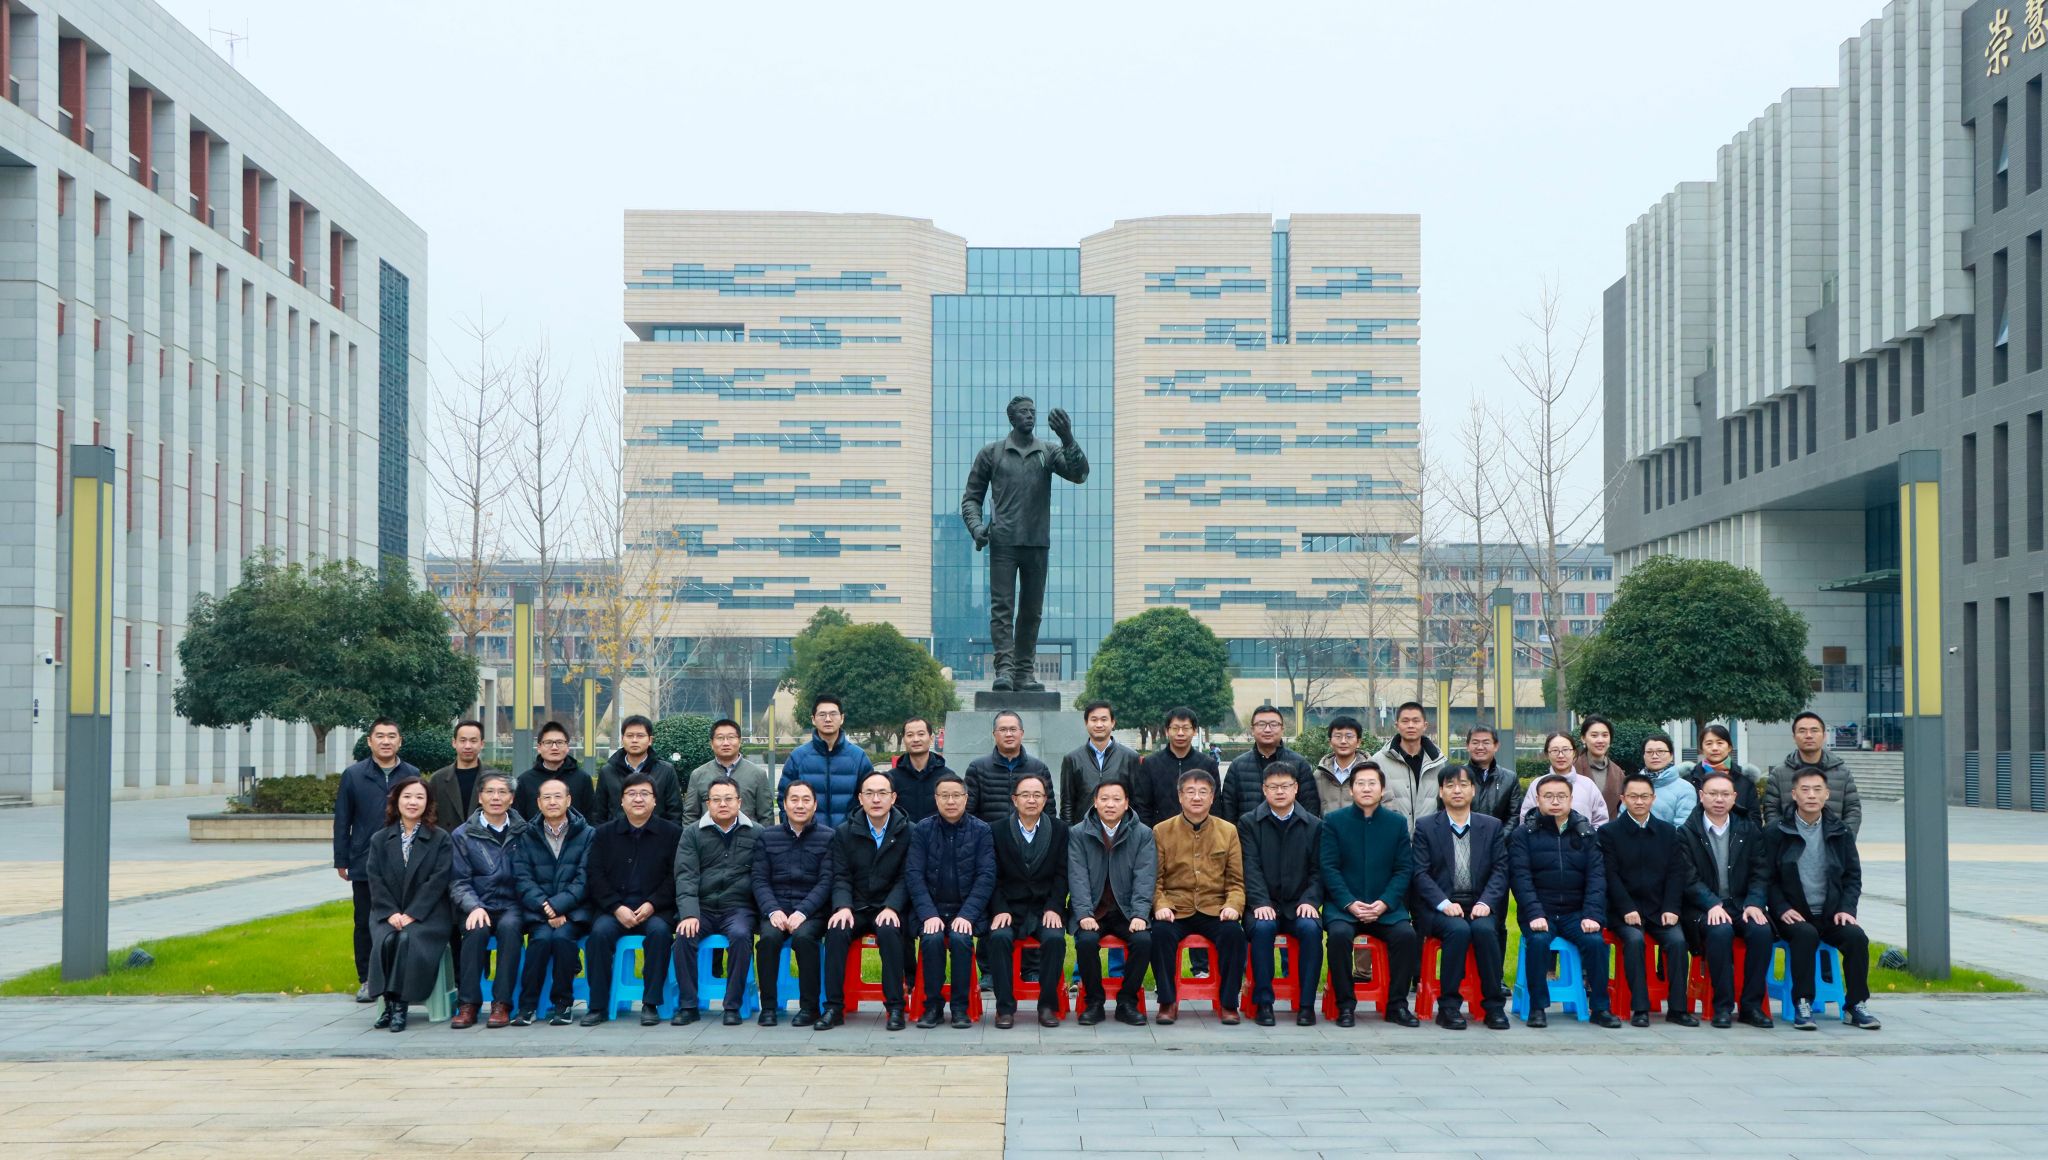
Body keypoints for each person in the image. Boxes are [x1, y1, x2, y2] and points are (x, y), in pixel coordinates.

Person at [958, 394, 1089, 692]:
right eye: (1023, 412)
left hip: (1037, 543)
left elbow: (1080, 474)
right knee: (1002, 610)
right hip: (1003, 543)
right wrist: (976, 528)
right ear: (1011, 418)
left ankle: (1024, 672)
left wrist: (1068, 437)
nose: (1030, 415)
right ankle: (1004, 670)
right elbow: (971, 498)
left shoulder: (1048, 451)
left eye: (1032, 411)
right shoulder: (991, 453)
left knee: (1031, 612)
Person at [1766, 768, 1881, 1030]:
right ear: (1794, 794)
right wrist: (1781, 908)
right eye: (1805, 790)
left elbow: (1852, 876)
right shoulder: (1776, 831)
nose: (1811, 795)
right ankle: (1803, 1002)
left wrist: (1847, 909)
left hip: (1831, 913)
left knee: (1856, 937)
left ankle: (1855, 1005)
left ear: (1827, 794)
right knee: (1804, 934)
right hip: (1792, 915)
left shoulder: (1840, 831)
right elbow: (1766, 878)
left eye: (1817, 790)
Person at [1509, 773, 1624, 1028]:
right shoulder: (1523, 834)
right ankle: (1538, 1007)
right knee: (1538, 941)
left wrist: (1591, 914)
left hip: (1576, 912)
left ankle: (1600, 1008)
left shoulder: (1586, 833)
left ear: (1571, 799)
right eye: (1548, 796)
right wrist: (1534, 913)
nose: (1555, 801)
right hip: (1541, 912)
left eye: (1561, 796)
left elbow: (1597, 878)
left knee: (1595, 942)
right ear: (1537, 799)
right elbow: (1520, 878)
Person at [1318, 761, 1420, 1028]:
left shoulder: (1396, 823)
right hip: (1344, 908)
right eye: (1360, 784)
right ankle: (1345, 1006)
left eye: (1372, 783)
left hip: (1385, 908)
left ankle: (1397, 1005)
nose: (1366, 788)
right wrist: (1349, 903)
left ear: (1382, 789)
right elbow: (1329, 867)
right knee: (1338, 936)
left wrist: (1384, 903)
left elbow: (1403, 869)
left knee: (1406, 936)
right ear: (1351, 790)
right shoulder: (1334, 822)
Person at [1410, 765, 1511, 1030]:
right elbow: (1420, 873)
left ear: (1473, 790)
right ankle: (1449, 1007)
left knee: (1485, 930)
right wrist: (1444, 904)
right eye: (1450, 785)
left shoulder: (1491, 826)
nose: (1457, 790)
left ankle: (1493, 1007)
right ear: (1441, 792)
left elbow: (1500, 870)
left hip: (1478, 904)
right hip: (1439, 908)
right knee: (1458, 930)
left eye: (1463, 784)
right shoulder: (1426, 827)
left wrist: (1486, 902)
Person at [580, 772, 682, 1027]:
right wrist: (616, 907)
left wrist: (653, 904)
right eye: (632, 794)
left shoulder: (672, 833)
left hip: (655, 909)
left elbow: (675, 877)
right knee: (598, 935)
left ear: (655, 801)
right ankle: (597, 1005)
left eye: (645, 794)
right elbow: (595, 875)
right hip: (614, 909)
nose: (638, 799)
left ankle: (651, 1004)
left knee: (660, 934)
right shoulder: (603, 834)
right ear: (622, 800)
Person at [1676, 768, 1774, 1029]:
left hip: (1741, 904)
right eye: (1712, 794)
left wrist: (1754, 902)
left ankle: (1751, 1007)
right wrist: (1711, 903)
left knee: (1761, 931)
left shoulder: (1748, 829)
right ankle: (1722, 1006)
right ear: (1701, 796)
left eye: (1724, 794)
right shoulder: (1687, 832)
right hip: (1702, 907)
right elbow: (1687, 878)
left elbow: (1760, 872)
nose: (1719, 799)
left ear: (1734, 797)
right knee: (1719, 932)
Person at [1598, 772, 1698, 1028]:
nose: (1639, 801)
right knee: (1634, 941)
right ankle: (1640, 1008)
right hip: (1623, 911)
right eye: (1633, 796)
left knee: (1678, 942)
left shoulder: (1667, 832)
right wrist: (1626, 908)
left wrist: (1671, 908)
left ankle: (1678, 1008)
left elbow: (1676, 873)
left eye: (1644, 796)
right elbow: (1610, 875)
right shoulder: (1609, 832)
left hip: (1660, 909)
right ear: (1622, 799)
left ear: (1653, 799)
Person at [1149, 768, 1248, 1024]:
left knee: (1233, 934)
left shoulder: (1228, 831)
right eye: (1190, 791)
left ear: (1212, 797)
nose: (1196, 797)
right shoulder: (1161, 831)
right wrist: (1160, 904)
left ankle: (1228, 1003)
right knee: (1159, 934)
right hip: (1176, 909)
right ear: (1180, 796)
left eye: (1203, 792)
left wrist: (1233, 905)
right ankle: (1167, 1001)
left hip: (1214, 908)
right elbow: (1155, 880)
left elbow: (1236, 881)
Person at [819, 770, 913, 1031]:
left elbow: (908, 876)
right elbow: (840, 875)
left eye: (882, 793)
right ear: (860, 798)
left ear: (893, 797)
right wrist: (843, 906)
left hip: (890, 906)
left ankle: (895, 1007)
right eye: (869, 793)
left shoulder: (909, 831)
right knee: (836, 930)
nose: (876, 799)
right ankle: (834, 1007)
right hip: (857, 905)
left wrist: (892, 906)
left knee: (890, 931)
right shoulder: (844, 832)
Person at [335, 718, 419, 1003]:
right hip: (364, 860)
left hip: (403, 860)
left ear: (400, 741)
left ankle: (399, 979)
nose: (386, 741)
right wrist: (341, 858)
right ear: (369, 741)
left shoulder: (411, 774)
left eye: (391, 736)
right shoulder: (354, 775)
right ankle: (367, 980)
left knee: (402, 921)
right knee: (364, 922)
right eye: (380, 736)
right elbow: (342, 819)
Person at [907, 773, 997, 1028]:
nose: (950, 801)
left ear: (966, 798)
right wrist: (928, 914)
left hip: (967, 910)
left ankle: (960, 1007)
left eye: (956, 795)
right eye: (944, 796)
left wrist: (967, 915)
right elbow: (913, 874)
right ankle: (932, 1006)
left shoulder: (981, 830)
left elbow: (986, 876)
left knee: (960, 939)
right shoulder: (922, 829)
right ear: (936, 799)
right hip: (931, 910)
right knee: (931, 939)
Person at [1238, 761, 1324, 1027]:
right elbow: (1249, 867)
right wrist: (1260, 902)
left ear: (1296, 788)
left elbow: (1319, 871)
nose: (1279, 792)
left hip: (1299, 904)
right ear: (1264, 789)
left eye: (1285, 786)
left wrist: (1310, 900)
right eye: (1273, 787)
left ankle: (1306, 1005)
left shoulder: (1314, 825)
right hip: (1264, 903)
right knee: (1263, 928)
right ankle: (1264, 1003)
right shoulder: (1249, 823)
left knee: (1311, 930)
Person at [365, 775, 452, 1033]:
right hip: (387, 913)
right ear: (396, 801)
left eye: (419, 797)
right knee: (389, 939)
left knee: (405, 939)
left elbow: (438, 881)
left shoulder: (440, 838)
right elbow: (375, 879)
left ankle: (399, 1006)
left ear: (428, 803)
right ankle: (389, 1003)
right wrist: (391, 913)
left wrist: (412, 913)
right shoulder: (380, 839)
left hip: (428, 915)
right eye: (407, 796)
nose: (413, 802)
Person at [671, 775, 760, 1027]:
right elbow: (685, 876)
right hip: (703, 908)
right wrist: (689, 913)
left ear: (739, 802)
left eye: (728, 799)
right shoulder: (692, 833)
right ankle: (688, 1005)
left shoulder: (756, 832)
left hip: (739, 908)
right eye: (716, 799)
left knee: (741, 936)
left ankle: (732, 1006)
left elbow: (762, 875)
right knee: (684, 937)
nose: (723, 804)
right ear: (707, 803)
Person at [1068, 779, 1157, 1026]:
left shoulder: (1143, 834)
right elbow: (1077, 876)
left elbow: (1145, 877)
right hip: (1093, 911)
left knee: (1143, 941)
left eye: (1117, 799)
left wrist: (1140, 914)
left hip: (1126, 911)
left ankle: (1127, 1002)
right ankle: (1094, 1002)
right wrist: (1084, 913)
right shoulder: (1078, 833)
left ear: (1126, 803)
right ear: (1095, 802)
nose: (1110, 804)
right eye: (1104, 799)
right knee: (1086, 942)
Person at [509, 776, 594, 1026]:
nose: (553, 802)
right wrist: (547, 907)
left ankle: (563, 1004)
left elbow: (585, 878)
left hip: (574, 912)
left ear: (569, 800)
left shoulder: (588, 834)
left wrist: (560, 906)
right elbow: (522, 877)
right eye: (547, 797)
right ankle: (527, 1007)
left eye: (558, 796)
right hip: (539, 912)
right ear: (538, 803)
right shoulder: (526, 835)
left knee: (562, 938)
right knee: (541, 940)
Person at [987, 772, 1070, 1029]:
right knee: (998, 938)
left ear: (1045, 800)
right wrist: (999, 908)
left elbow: (1062, 874)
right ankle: (1004, 1008)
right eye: (1025, 795)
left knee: (1055, 939)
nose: (1031, 800)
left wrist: (1055, 907)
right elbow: (991, 876)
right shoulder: (997, 830)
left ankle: (1047, 1005)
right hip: (1010, 908)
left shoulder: (1059, 830)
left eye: (1037, 795)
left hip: (1045, 907)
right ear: (1014, 799)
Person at [752, 779, 834, 1026]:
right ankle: (769, 1007)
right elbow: (759, 879)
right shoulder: (767, 837)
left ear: (815, 805)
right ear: (784, 805)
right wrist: (772, 910)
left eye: (806, 800)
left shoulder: (829, 837)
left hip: (812, 912)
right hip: (776, 909)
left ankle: (809, 1008)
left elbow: (827, 881)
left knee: (804, 939)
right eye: (794, 800)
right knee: (768, 939)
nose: (800, 805)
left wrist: (803, 911)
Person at [448, 772, 527, 1029]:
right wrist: (474, 906)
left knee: (510, 928)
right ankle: (468, 1004)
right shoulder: (463, 834)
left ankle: (502, 1004)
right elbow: (458, 881)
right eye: (490, 792)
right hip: (477, 904)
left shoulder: (525, 831)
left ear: (511, 798)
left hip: (512, 905)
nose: (496, 797)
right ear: (480, 797)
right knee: (476, 930)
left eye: (502, 792)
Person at [1763, 712, 1864, 835]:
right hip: (1789, 843)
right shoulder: (1779, 774)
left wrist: (1843, 839)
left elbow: (1853, 810)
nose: (1809, 735)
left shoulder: (1842, 772)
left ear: (1824, 736)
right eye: (1802, 731)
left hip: (1833, 842)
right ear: (1794, 737)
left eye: (1814, 730)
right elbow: (1771, 811)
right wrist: (1782, 840)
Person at [778, 694, 871, 826]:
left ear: (842, 718)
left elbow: (869, 797)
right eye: (822, 714)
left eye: (833, 714)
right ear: (813, 719)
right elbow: (783, 798)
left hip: (848, 834)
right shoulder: (798, 756)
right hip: (808, 834)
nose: (828, 719)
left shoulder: (858, 757)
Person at [1225, 705, 1317, 821]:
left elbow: (1310, 806)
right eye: (1261, 724)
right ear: (1252, 730)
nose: (1267, 729)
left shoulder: (1299, 763)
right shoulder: (1238, 765)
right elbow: (1229, 809)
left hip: (1290, 830)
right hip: (1248, 831)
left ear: (1282, 729)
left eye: (1274, 724)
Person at [966, 711, 1055, 827]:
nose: (1008, 734)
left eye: (1013, 729)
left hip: (1028, 835)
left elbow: (1049, 811)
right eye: (1003, 730)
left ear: (1022, 733)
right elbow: (968, 811)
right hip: (989, 835)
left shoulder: (1039, 768)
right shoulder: (977, 768)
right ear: (994, 734)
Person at [591, 714, 683, 827]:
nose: (634, 740)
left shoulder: (666, 771)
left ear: (650, 740)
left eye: (640, 736)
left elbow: (675, 812)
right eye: (629, 736)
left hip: (656, 834)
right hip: (617, 835)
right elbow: (599, 813)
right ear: (622, 739)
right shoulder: (608, 771)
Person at [1134, 707, 1220, 825]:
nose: (1180, 733)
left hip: (1199, 832)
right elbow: (1142, 806)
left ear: (1194, 731)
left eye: (1186, 728)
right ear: (1167, 731)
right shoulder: (1150, 763)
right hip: (1159, 832)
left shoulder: (1208, 764)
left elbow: (1215, 805)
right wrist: (1150, 833)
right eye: (1175, 728)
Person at [1060, 700, 1141, 825]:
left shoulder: (1130, 757)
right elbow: (1067, 804)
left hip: (1122, 830)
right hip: (1084, 831)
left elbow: (1137, 801)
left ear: (1112, 722)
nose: (1099, 724)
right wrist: (1070, 831)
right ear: (1086, 723)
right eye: (1094, 720)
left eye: (1104, 719)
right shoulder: (1072, 759)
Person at [683, 718, 775, 827]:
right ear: (711, 743)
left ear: (739, 741)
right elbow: (690, 815)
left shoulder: (757, 774)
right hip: (708, 836)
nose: (726, 743)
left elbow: (766, 816)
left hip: (747, 835)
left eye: (731, 737)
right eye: (720, 738)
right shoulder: (698, 775)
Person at [1369, 701, 1447, 827]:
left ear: (1425, 725)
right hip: (1392, 834)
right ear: (1397, 725)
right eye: (1405, 721)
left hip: (1429, 835)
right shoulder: (1378, 761)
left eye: (1416, 721)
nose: (1410, 725)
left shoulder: (1437, 761)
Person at [1517, 732, 1611, 825]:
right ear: (1547, 754)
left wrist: (1589, 835)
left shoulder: (1588, 785)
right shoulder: (1537, 785)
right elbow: (1526, 819)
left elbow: (1601, 820)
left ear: (1574, 752)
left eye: (1566, 750)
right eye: (1555, 750)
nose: (1561, 755)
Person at [513, 721, 596, 823]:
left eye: (560, 742)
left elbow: (591, 817)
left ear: (567, 747)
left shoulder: (582, 779)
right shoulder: (525, 781)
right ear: (539, 748)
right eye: (548, 743)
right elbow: (518, 820)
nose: (554, 747)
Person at [1681, 723, 1763, 821]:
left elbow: (1754, 818)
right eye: (1709, 744)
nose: (1714, 748)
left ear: (1729, 747)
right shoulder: (1689, 779)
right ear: (1701, 749)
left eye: (1720, 743)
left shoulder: (1745, 779)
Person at [427, 719, 489, 834]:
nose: (467, 746)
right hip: (447, 841)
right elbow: (429, 816)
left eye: (473, 741)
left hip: (485, 841)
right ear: (454, 743)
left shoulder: (494, 778)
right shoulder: (438, 779)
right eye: (463, 740)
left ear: (482, 744)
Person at [888, 716, 952, 822]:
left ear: (931, 738)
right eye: (910, 735)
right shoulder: (891, 778)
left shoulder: (947, 777)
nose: (916, 739)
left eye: (921, 734)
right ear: (904, 740)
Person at [1309, 716, 1373, 816]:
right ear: (1330, 742)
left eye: (1349, 736)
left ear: (1358, 742)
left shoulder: (1372, 773)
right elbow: (1311, 811)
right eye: (1338, 736)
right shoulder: (1320, 775)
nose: (1343, 741)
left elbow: (1385, 804)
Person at [1463, 726, 1520, 832]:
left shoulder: (1509, 779)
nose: (1480, 747)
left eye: (1486, 742)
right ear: (1467, 746)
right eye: (1475, 742)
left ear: (1496, 746)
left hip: (1498, 840)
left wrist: (1498, 839)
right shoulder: (1458, 778)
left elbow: (1514, 817)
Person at [1576, 715, 1630, 817]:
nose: (1600, 740)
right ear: (1583, 738)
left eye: (1605, 735)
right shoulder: (1572, 768)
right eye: (1594, 735)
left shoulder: (1618, 773)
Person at [1639, 733, 1697, 828]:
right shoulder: (1633, 785)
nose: (1654, 756)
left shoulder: (1685, 788)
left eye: (1660, 751)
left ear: (1671, 755)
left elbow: (1683, 828)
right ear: (1643, 756)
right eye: (1649, 752)